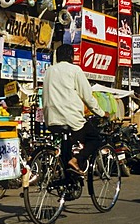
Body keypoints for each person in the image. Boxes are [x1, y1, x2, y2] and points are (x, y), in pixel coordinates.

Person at [42, 44, 106, 175]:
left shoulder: (49, 71)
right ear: (72, 57)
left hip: (51, 119)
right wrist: (101, 113)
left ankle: (68, 177)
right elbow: (87, 96)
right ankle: (77, 160)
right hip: (70, 118)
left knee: (67, 144)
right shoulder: (75, 70)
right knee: (95, 139)